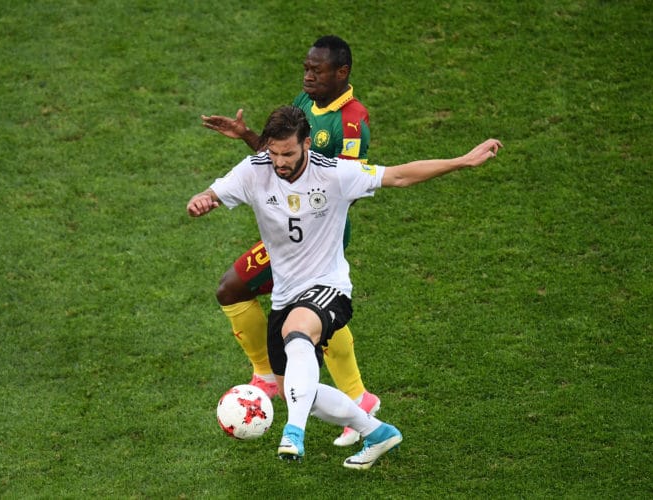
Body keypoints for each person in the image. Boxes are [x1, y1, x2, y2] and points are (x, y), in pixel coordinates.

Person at [187, 106, 502, 469]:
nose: (279, 162)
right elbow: (212, 192)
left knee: (296, 332)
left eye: (288, 153)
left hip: (328, 287)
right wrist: (202, 200)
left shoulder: (334, 174)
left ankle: (294, 431)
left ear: (306, 144)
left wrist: (461, 161)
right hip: (285, 293)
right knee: (296, 388)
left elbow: (397, 176)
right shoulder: (255, 170)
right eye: (273, 153)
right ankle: (379, 432)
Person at [201, 35, 378, 447]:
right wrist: (248, 136)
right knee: (240, 291)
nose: (307, 76)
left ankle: (345, 397)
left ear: (342, 73)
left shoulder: (351, 122)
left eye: (316, 71)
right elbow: (279, 154)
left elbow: (338, 182)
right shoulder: (302, 102)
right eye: (306, 68)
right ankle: (313, 387)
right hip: (289, 225)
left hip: (316, 232)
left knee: (304, 314)